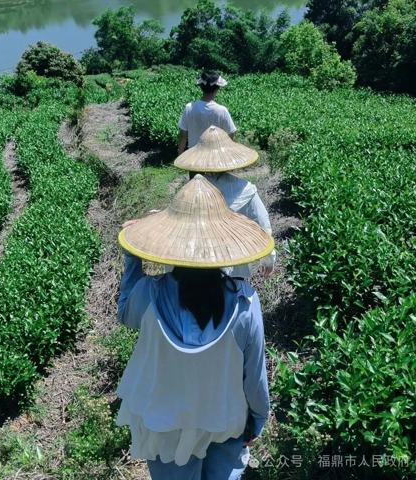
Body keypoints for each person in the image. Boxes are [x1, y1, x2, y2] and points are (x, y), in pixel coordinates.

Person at [117, 175, 273, 480]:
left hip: (165, 422)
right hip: (224, 416)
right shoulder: (244, 302)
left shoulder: (150, 293)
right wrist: (258, 417)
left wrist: (132, 256)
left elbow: (125, 314)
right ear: (223, 248)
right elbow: (254, 377)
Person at [174, 125, 277, 279]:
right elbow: (263, 227)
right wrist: (268, 259)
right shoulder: (245, 189)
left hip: (199, 262)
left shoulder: (191, 189)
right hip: (236, 259)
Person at [178, 71, 236, 156]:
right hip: (215, 158)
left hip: (193, 158)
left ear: (201, 88)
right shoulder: (222, 110)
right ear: (216, 90)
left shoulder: (189, 108)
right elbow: (230, 133)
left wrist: (180, 155)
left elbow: (183, 135)